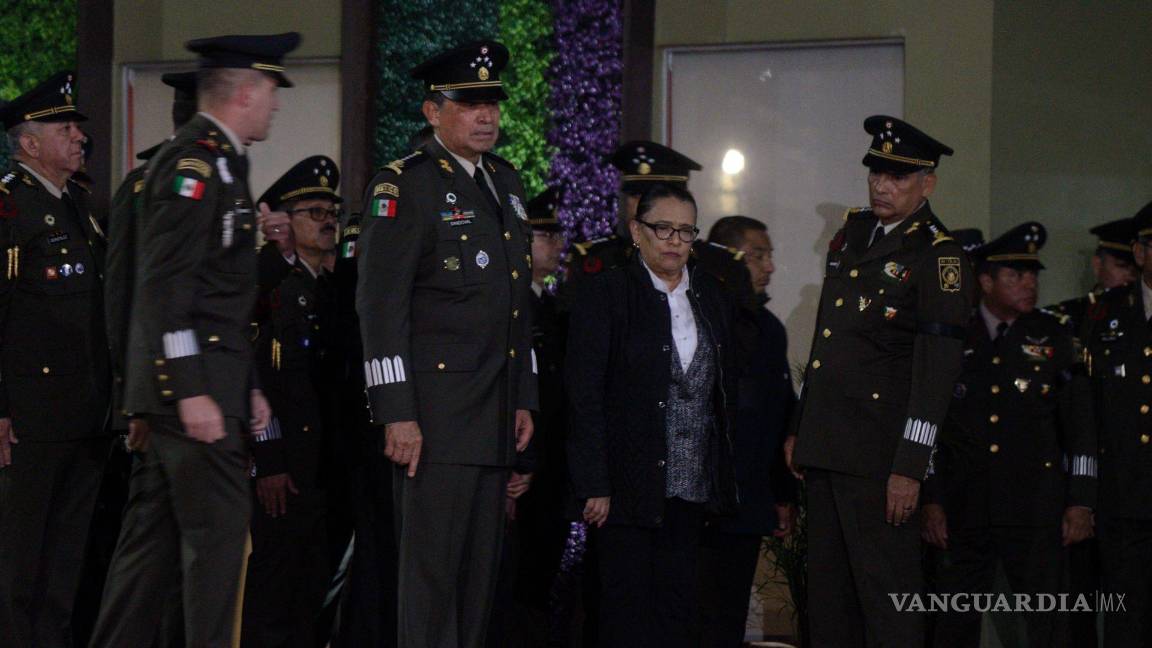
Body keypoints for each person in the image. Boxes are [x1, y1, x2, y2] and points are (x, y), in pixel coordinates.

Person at [90, 32, 299, 648]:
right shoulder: (195, 164)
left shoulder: (223, 161)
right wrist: (189, 392)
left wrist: (249, 387)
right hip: (195, 400)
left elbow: (218, 302)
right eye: (270, 93)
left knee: (147, 555)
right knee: (220, 548)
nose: (276, 107)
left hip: (205, 389)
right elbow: (164, 287)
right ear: (243, 92)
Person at [356, 41, 537, 648]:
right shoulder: (404, 185)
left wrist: (523, 397)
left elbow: (517, 305)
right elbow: (380, 309)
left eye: (492, 103)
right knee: (430, 584)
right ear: (434, 111)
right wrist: (397, 413)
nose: (486, 116)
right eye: (468, 103)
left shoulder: (505, 183)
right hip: (433, 422)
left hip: (491, 416)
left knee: (477, 585)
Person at [786, 115, 973, 646]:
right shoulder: (854, 235)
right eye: (876, 174)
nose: (882, 187)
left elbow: (936, 376)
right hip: (828, 448)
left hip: (880, 458)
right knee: (828, 602)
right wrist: (802, 426)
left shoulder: (940, 256)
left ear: (927, 184)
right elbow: (828, 343)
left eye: (898, 177)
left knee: (886, 600)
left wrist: (911, 469)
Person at [566, 184, 739, 647]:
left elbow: (722, 391)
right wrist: (594, 483)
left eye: (685, 231)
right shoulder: (606, 294)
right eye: (663, 228)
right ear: (637, 232)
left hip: (690, 487)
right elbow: (584, 395)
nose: (674, 241)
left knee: (677, 610)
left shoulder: (710, 297)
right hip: (624, 488)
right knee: (624, 613)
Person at [922, 222, 1095, 647]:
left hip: (1035, 508)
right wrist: (932, 498)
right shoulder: (955, 334)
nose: (1028, 284)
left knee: (1047, 622)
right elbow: (931, 427)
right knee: (953, 620)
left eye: (1033, 275)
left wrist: (1081, 500)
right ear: (985, 281)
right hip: (966, 506)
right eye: (1015, 275)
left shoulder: (1055, 337)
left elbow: (1081, 428)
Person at [0, 70, 112, 648]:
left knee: (66, 565)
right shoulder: (10, 209)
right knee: (21, 565)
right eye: (64, 127)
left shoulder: (78, 204)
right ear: (28, 143)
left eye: (77, 127)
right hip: (29, 420)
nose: (78, 136)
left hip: (83, 414)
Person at [241, 155, 341, 646]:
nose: (327, 222)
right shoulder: (272, 283)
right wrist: (270, 457)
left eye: (331, 212)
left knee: (310, 588)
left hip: (321, 460)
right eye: (314, 212)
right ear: (284, 221)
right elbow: (258, 375)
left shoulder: (331, 287)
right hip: (283, 462)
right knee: (273, 590)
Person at [698, 215, 796, 648]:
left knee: (728, 616)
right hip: (696, 504)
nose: (769, 267)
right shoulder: (698, 319)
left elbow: (779, 416)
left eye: (769, 255)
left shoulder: (770, 329)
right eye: (759, 255)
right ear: (728, 259)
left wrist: (782, 495)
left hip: (748, 501)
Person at [1083, 200, 1152, 646]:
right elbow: (1085, 411)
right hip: (1123, 498)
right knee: (1127, 624)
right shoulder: (1101, 314)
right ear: (1141, 252)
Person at [1048, 218, 1137, 336]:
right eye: (1122, 266)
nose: (1131, 276)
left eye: (1138, 270)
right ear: (1098, 265)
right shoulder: (1070, 318)